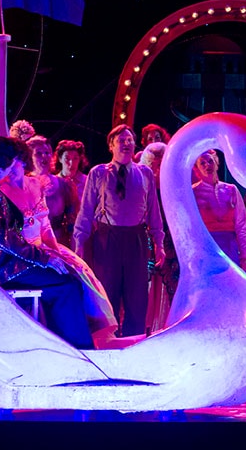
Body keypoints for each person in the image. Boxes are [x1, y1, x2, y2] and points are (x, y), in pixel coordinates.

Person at [0, 136, 94, 350]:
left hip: (0, 262)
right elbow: (5, 239)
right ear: (1, 168)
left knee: (65, 276)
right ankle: (78, 351)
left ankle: (63, 348)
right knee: (67, 284)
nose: (13, 170)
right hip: (1, 268)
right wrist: (43, 258)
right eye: (11, 165)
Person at [73, 125, 166, 337]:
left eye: (130, 140)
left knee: (137, 295)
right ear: (111, 145)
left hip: (136, 239)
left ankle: (134, 340)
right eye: (121, 140)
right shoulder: (98, 173)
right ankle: (108, 340)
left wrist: (159, 243)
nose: (126, 144)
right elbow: (86, 211)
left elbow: (154, 211)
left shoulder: (145, 173)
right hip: (108, 239)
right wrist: (79, 244)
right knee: (108, 291)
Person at [140, 142, 179, 335]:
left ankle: (165, 328)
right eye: (153, 165)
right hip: (145, 240)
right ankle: (145, 330)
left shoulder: (173, 187)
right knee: (146, 286)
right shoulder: (141, 186)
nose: (156, 170)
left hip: (170, 241)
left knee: (167, 286)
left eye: (160, 165)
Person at [193, 149, 246, 270]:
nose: (207, 165)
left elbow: (241, 225)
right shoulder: (193, 192)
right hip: (206, 248)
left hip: (230, 247)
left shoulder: (231, 189)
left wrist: (245, 257)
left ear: (217, 163)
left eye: (210, 161)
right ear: (197, 168)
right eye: (202, 163)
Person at [26, 136, 79, 248]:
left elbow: (72, 220)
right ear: (30, 157)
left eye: (47, 152)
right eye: (39, 153)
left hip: (58, 242)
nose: (44, 156)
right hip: (31, 245)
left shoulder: (64, 185)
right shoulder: (23, 184)